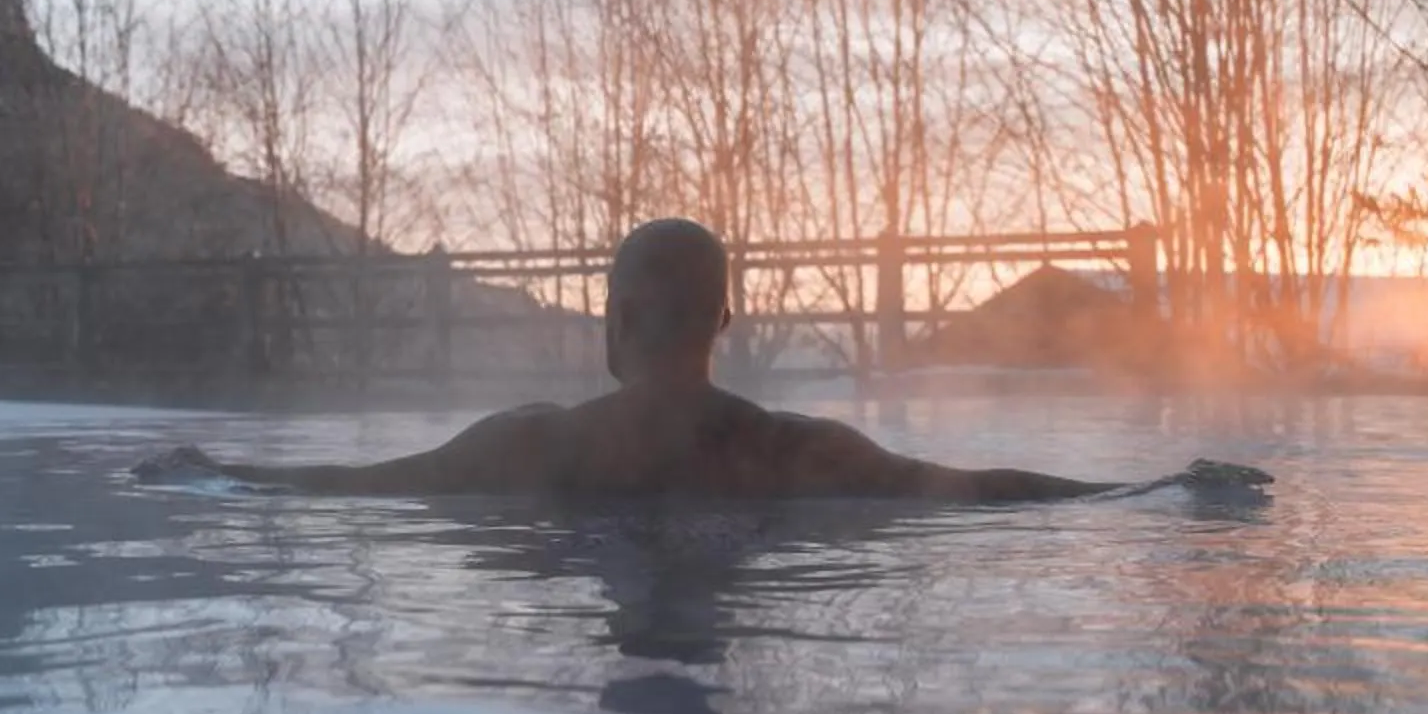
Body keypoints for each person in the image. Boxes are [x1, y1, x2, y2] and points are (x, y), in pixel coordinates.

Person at [137, 217, 1256, 501]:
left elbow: (357, 487)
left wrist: (212, 472)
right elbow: (977, 493)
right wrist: (1157, 485)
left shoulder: (532, 447)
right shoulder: (794, 454)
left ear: (610, 323)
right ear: (728, 324)